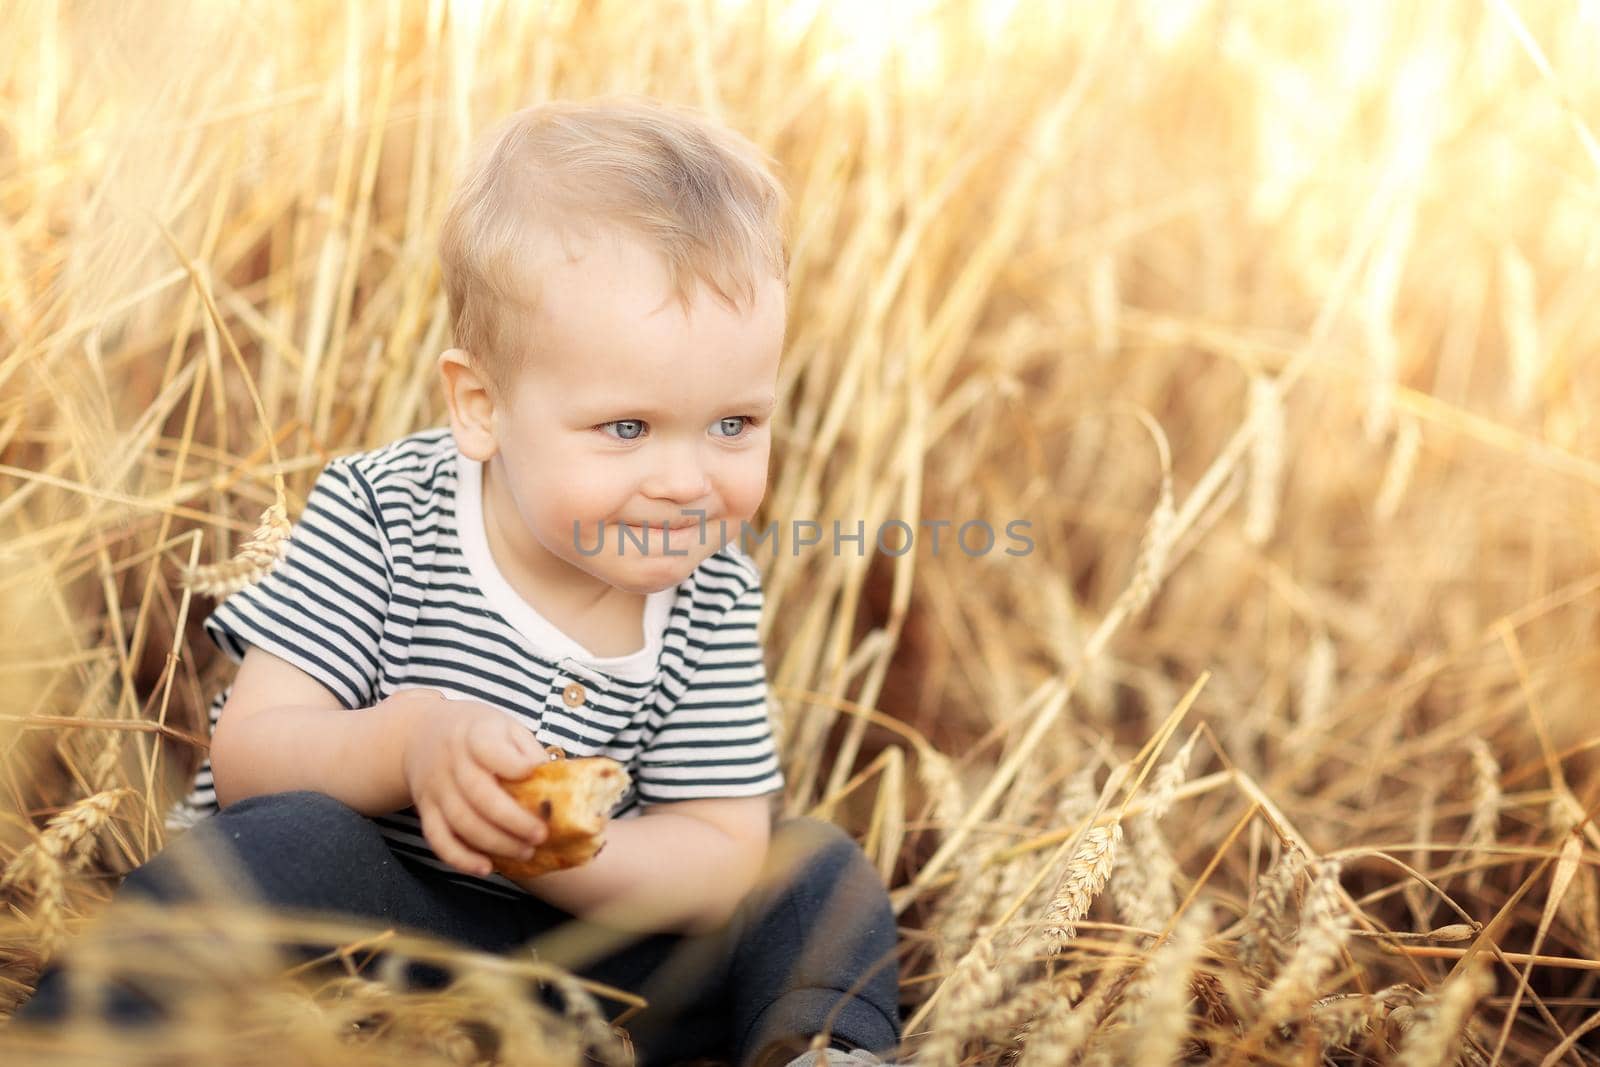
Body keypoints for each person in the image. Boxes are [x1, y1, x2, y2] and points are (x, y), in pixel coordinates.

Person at [10, 95, 902, 1067]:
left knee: (814, 868)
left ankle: (822, 1048)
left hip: (584, 981)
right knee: (285, 843)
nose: (688, 480)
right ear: (481, 404)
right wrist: (409, 739)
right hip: (375, 927)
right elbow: (256, 751)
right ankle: (84, 1035)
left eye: (734, 423)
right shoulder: (386, 509)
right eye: (628, 427)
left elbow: (720, 852)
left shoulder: (709, 588)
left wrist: (569, 852)